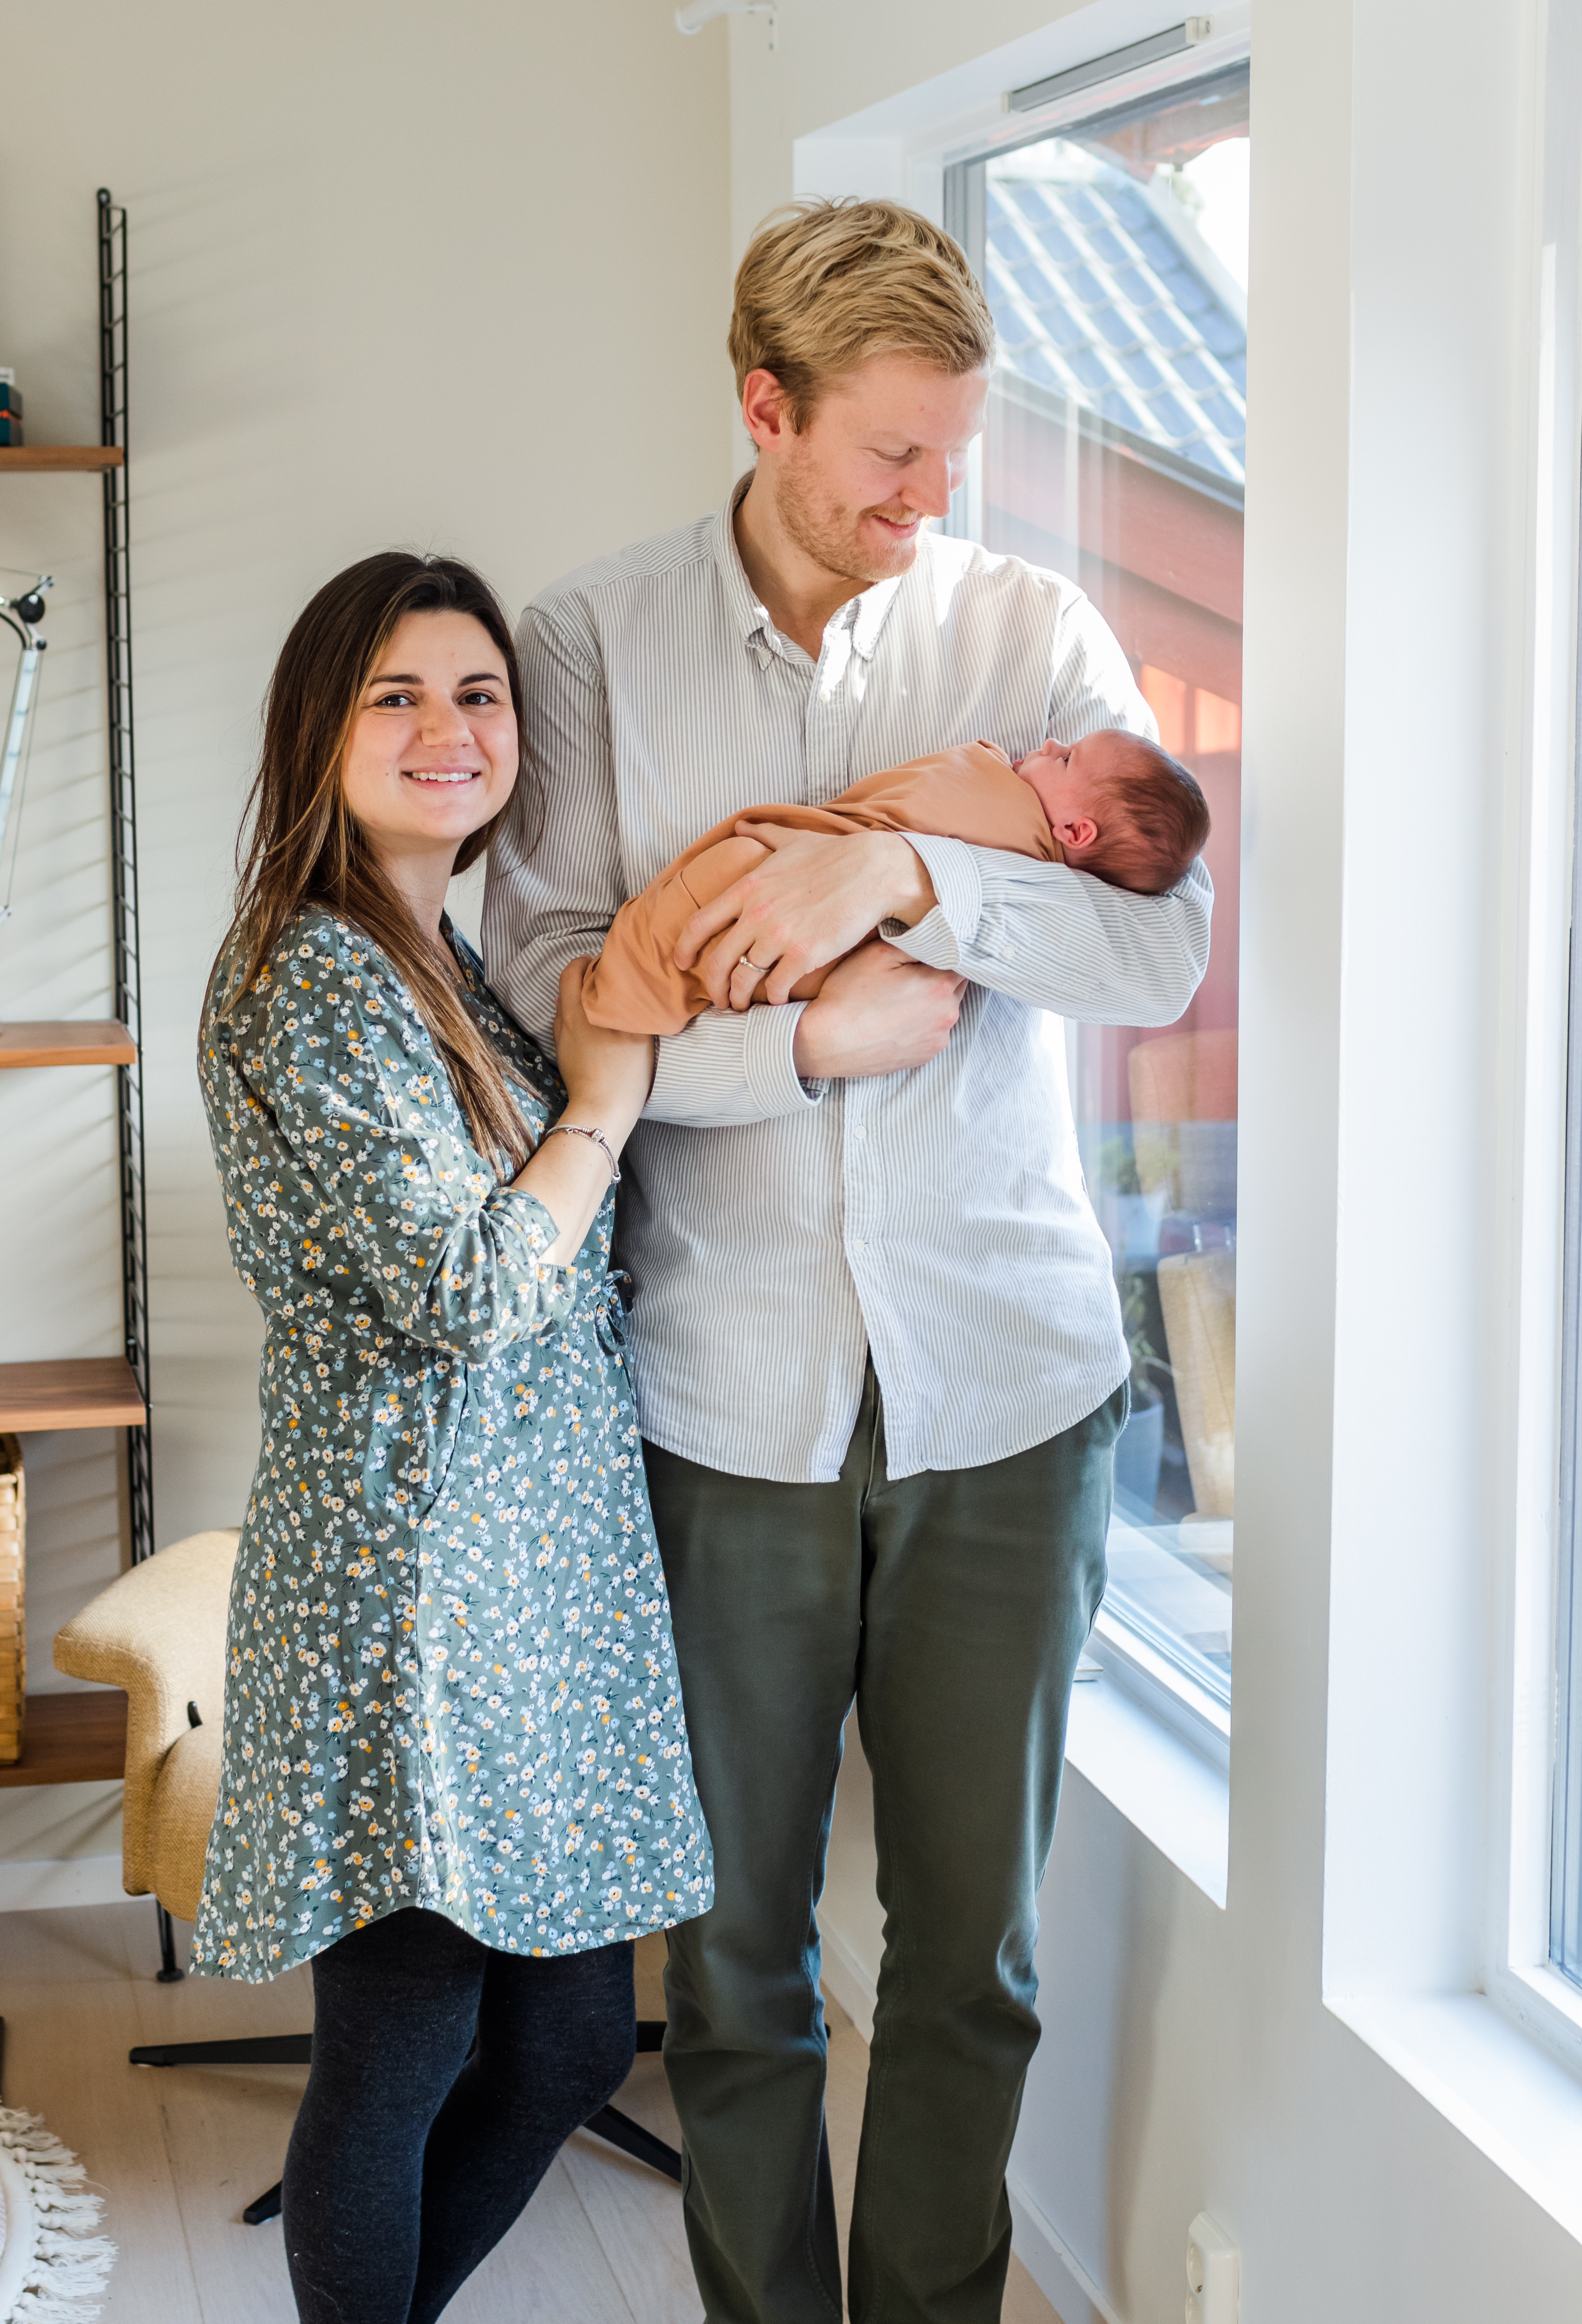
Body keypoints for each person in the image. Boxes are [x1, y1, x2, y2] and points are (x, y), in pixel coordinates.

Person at [484, 199, 1212, 2324]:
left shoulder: (1028, 637)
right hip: (724, 1392)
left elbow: (1152, 943)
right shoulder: (592, 641)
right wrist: (795, 1034)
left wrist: (903, 866)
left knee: (970, 1957)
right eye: (888, 456)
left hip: (1011, 1384)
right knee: (727, 1960)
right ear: (762, 410)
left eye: (952, 455)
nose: (925, 500)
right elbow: (542, 985)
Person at [191, 550, 713, 2324]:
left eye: (476, 693)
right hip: (402, 1585)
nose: (447, 728)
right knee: (403, 2041)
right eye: (395, 696)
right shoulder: (314, 978)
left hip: (514, 1587)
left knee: (567, 2036)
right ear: (317, 730)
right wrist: (610, 1101)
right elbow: (476, 1284)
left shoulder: (442, 961)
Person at [580, 728, 1209, 1033]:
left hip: (988, 1256)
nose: (1048, 742)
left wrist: (900, 871)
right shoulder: (589, 625)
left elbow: (1167, 968)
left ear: (1075, 835)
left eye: (1065, 756)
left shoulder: (1055, 638)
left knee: (717, 896)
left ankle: (620, 1002)